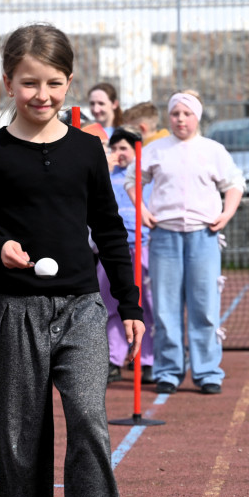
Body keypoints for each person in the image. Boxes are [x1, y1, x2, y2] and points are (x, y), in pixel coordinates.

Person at [0, 23, 141, 497]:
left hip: (83, 308)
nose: (42, 94)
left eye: (54, 83)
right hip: (14, 310)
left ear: (70, 82)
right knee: (19, 438)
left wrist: (129, 302)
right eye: (29, 83)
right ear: (7, 82)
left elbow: (109, 229)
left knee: (89, 421)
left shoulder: (87, 149)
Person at [125, 91, 245, 395]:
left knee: (204, 306)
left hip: (203, 236)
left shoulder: (213, 150)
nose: (180, 119)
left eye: (187, 113)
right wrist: (143, 211)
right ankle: (168, 371)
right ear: (169, 116)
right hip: (164, 236)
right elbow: (132, 179)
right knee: (165, 308)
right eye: (175, 113)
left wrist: (226, 214)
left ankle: (207, 372)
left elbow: (234, 184)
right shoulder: (156, 150)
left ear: (197, 117)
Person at [100, 127, 156, 384]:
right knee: (111, 304)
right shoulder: (105, 176)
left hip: (142, 248)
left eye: (124, 148)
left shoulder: (147, 179)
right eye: (115, 148)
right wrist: (105, 171)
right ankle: (114, 359)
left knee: (145, 306)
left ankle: (147, 361)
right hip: (111, 250)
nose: (119, 154)